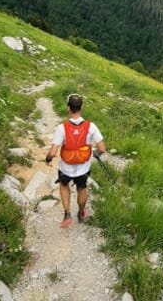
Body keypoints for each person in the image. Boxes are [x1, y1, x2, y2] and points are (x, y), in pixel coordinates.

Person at [45, 93, 106, 228]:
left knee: (64, 185)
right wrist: (95, 153)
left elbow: (53, 152)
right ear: (81, 107)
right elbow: (102, 148)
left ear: (68, 108)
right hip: (83, 167)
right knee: (82, 188)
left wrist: (48, 159)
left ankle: (67, 213)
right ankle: (81, 213)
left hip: (66, 166)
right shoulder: (91, 126)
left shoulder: (62, 128)